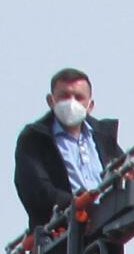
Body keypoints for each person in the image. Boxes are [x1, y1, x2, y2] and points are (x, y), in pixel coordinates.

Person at [13, 68, 123, 228]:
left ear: (90, 105)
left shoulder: (102, 136)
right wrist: (80, 204)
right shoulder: (34, 139)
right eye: (64, 96)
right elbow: (36, 191)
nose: (72, 103)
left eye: (79, 97)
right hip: (63, 231)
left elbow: (127, 169)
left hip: (108, 226)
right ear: (51, 101)